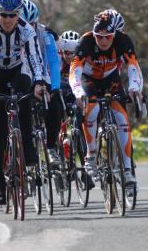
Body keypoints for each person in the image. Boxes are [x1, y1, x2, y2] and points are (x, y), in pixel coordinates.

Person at [0, 0, 46, 204]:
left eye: (12, 15)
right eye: (3, 15)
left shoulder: (26, 30)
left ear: (18, 15)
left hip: (17, 71)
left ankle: (27, 144)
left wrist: (40, 82)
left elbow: (34, 58)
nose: (7, 20)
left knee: (25, 99)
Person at [69, 9, 143, 186]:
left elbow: (133, 66)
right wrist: (78, 92)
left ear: (114, 34)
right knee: (91, 109)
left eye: (108, 37)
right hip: (89, 80)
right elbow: (75, 71)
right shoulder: (85, 42)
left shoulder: (123, 41)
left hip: (111, 80)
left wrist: (134, 88)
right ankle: (91, 153)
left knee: (123, 119)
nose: (103, 40)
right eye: (99, 37)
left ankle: (127, 171)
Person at [20, 0, 62, 166]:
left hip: (41, 76)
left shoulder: (45, 34)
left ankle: (51, 147)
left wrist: (56, 88)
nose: (29, 28)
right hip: (21, 76)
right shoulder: (12, 32)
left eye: (33, 24)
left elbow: (53, 61)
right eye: (25, 24)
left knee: (55, 105)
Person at [58, 30, 95, 189]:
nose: (69, 56)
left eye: (72, 53)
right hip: (61, 95)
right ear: (61, 52)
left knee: (80, 130)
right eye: (66, 52)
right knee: (56, 130)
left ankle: (85, 173)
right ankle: (60, 168)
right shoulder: (57, 63)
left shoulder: (82, 62)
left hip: (77, 96)